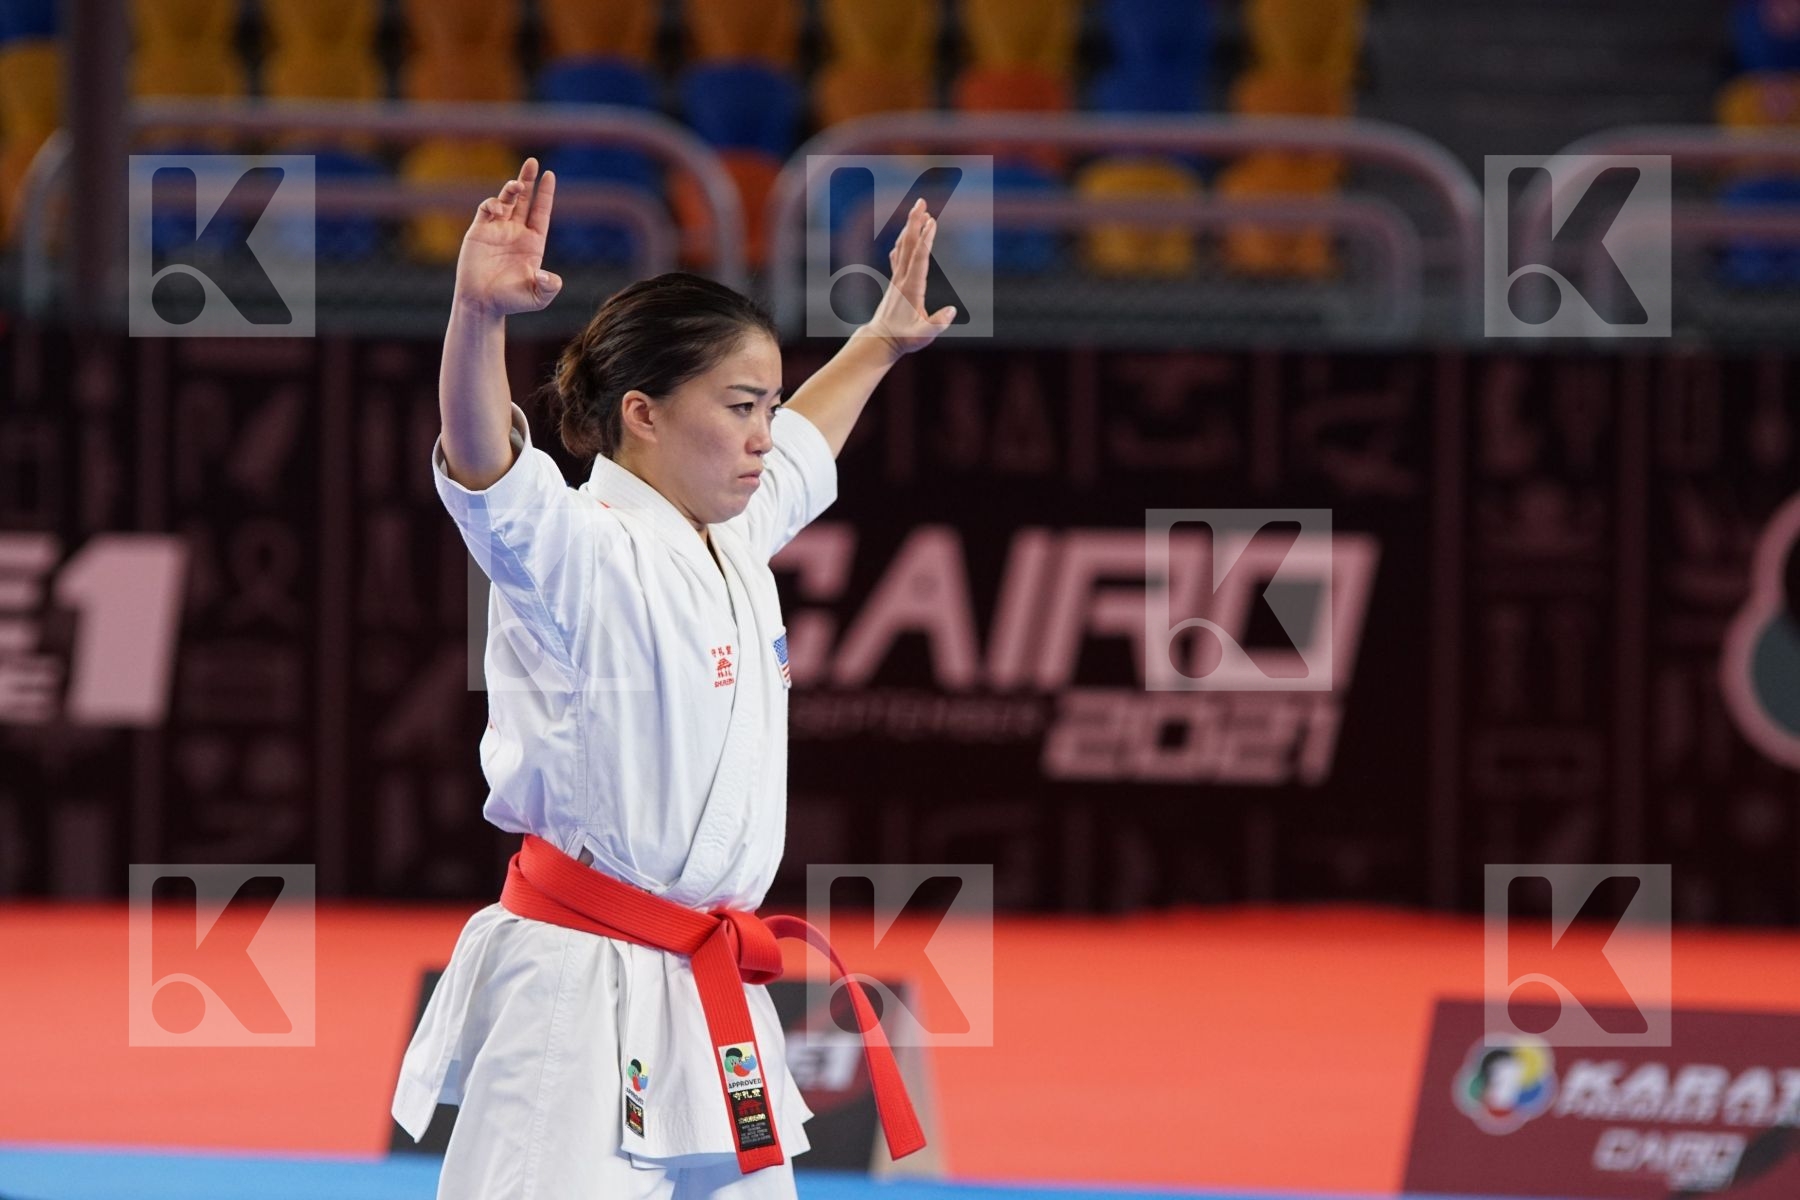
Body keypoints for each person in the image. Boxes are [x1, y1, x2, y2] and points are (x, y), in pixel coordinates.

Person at [390, 157, 954, 1200]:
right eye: (740, 406)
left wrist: (879, 340)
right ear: (643, 414)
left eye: (767, 404)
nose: (762, 436)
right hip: (575, 993)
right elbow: (481, 460)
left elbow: (807, 444)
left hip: (709, 986)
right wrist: (477, 316)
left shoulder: (730, 534)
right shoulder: (577, 548)